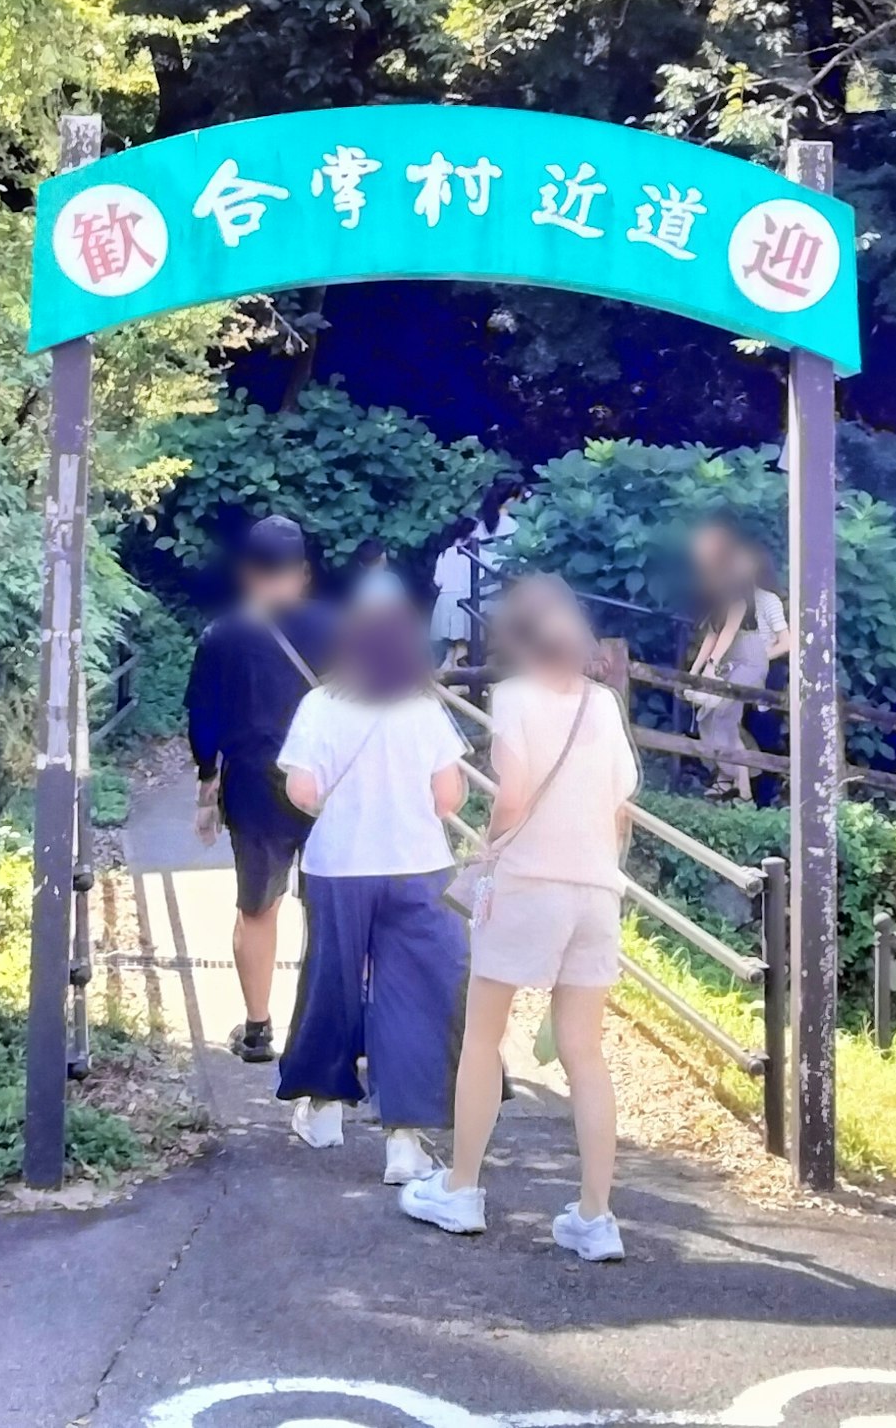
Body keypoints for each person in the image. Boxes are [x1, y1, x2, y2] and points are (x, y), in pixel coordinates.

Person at [402, 574, 638, 1260]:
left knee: (483, 1036)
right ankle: (595, 1219)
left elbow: (516, 793)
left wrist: (489, 846)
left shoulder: (514, 698)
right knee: (586, 1055)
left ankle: (463, 1188)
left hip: (530, 884)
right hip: (596, 890)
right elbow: (620, 807)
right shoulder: (602, 705)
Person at [272, 590, 473, 1181]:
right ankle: (404, 1144)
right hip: (418, 865)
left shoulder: (319, 705)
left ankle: (326, 1110)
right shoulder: (423, 708)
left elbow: (304, 792)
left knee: (332, 983)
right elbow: (449, 798)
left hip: (338, 867)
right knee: (412, 994)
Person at [186, 514, 335, 1063]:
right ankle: (330, 1029)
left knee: (257, 908)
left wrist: (207, 787)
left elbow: (205, 722)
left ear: (248, 571)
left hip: (254, 787)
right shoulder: (337, 627)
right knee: (329, 909)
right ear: (301, 572)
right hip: (328, 789)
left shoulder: (224, 636)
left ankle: (257, 1029)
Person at [679, 518, 789, 802]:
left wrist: (749, 662)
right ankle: (731, 783)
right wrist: (698, 671)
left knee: (749, 729)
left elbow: (786, 642)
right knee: (716, 717)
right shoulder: (723, 597)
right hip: (733, 665)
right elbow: (715, 635)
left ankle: (751, 793)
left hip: (759, 669)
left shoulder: (767, 601)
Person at [427, 486, 519, 663]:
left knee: (453, 646)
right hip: (465, 598)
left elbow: (438, 580)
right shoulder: (473, 553)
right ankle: (459, 679)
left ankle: (447, 675)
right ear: (472, 534)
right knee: (463, 646)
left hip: (445, 600)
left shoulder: (445, 553)